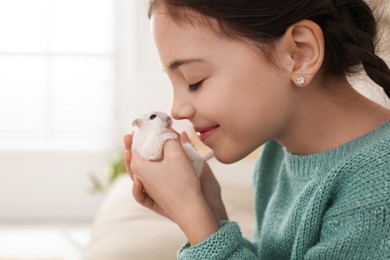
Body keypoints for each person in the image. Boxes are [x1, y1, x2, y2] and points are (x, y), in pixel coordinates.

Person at [123, 0, 390, 259]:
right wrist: (211, 214)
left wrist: (195, 221)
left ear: (299, 54)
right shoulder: (276, 155)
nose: (177, 109)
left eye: (195, 81)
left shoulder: (379, 189)